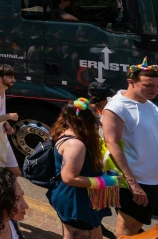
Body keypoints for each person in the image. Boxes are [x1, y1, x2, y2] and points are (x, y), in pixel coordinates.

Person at [102, 59, 158, 237]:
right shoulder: (117, 107)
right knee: (128, 228)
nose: (154, 90)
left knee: (137, 226)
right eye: (148, 85)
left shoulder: (150, 106)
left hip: (152, 180)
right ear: (131, 82)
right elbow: (112, 143)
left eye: (157, 86)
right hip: (137, 182)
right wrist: (132, 183)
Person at [48, 98, 114, 239]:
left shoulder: (67, 132)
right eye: (95, 120)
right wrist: (103, 181)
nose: (100, 123)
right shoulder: (75, 144)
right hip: (77, 202)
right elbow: (69, 177)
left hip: (79, 198)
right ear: (83, 121)